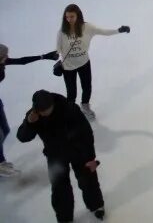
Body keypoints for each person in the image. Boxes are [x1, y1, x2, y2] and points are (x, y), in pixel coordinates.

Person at [17, 90, 106, 221]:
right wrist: (29, 123)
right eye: (42, 111)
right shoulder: (34, 116)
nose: (45, 113)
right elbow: (22, 137)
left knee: (88, 179)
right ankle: (65, 217)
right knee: (59, 188)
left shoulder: (69, 108)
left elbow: (86, 133)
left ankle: (96, 206)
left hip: (78, 150)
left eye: (47, 109)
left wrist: (90, 158)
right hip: (55, 156)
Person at [56, 4, 130, 119]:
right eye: (67, 17)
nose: (69, 20)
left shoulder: (87, 27)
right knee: (71, 92)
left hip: (84, 63)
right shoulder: (62, 31)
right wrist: (52, 55)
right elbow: (58, 49)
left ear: (78, 16)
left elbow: (104, 32)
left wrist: (119, 30)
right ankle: (71, 112)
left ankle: (85, 106)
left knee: (87, 87)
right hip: (68, 66)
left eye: (72, 17)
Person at [0, 45, 57, 177]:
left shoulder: (2, 62)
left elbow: (22, 61)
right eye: (4, 56)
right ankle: (0, 163)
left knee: (6, 130)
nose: (7, 58)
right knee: (0, 134)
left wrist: (45, 56)